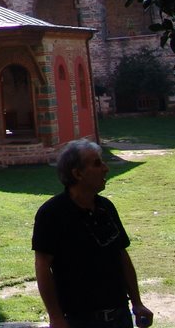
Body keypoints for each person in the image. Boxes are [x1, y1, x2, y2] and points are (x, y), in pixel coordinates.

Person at [33, 138, 154, 328]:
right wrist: (56, 318)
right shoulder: (52, 213)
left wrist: (137, 303)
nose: (105, 168)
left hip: (119, 316)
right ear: (78, 173)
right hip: (79, 320)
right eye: (97, 164)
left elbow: (121, 254)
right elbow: (42, 266)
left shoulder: (106, 207)